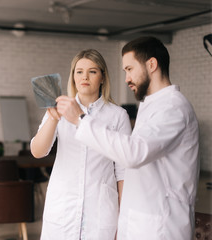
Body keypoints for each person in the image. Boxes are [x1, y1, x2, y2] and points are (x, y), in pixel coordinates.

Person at [56, 36, 199, 239]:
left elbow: (134, 153)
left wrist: (81, 120)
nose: (126, 78)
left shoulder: (173, 107)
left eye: (130, 69)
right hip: (141, 223)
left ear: (151, 64)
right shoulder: (152, 105)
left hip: (162, 226)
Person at [31, 49, 132, 239]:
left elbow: (123, 172)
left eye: (92, 71)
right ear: (73, 77)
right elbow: (38, 152)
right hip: (62, 209)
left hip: (100, 212)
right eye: (79, 71)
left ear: (102, 77)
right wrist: (53, 119)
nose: (85, 76)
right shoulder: (59, 109)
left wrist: (123, 219)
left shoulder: (118, 115)